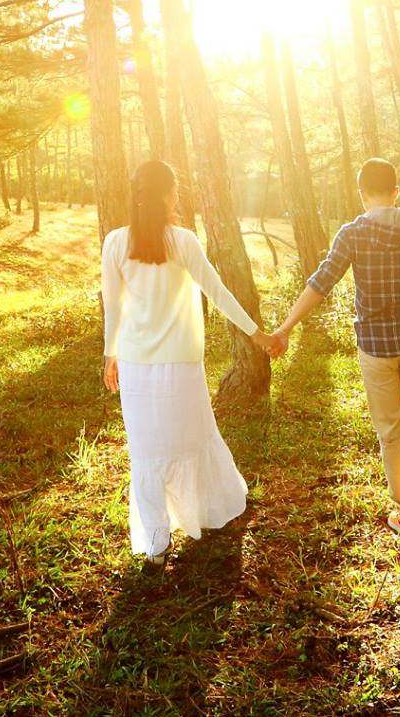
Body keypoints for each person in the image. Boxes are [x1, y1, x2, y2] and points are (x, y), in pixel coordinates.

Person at [101, 159, 280, 564]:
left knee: (147, 450)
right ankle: (203, 513)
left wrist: (110, 354)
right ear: (165, 195)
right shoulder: (182, 241)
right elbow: (218, 293)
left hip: (135, 363)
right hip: (178, 362)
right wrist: (258, 335)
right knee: (190, 439)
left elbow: (112, 307)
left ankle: (157, 545)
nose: (178, 196)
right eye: (175, 190)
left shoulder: (115, 242)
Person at [266, 157, 400, 541]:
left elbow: (321, 283)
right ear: (396, 192)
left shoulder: (352, 233)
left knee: (390, 430)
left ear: (363, 195)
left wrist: (285, 328)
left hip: (375, 348)